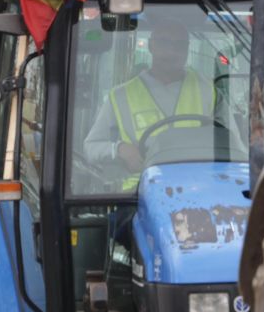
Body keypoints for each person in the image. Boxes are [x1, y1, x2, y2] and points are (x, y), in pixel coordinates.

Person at [82, 18, 215, 189]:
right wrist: (120, 149)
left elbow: (234, 146)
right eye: (164, 42)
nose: (171, 51)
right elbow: (91, 148)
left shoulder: (208, 91)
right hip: (137, 196)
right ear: (151, 46)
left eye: (179, 45)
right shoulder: (121, 96)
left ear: (187, 49)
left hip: (198, 189)